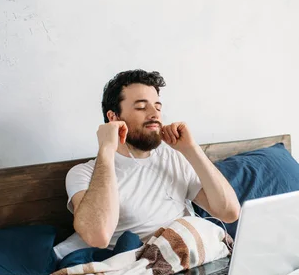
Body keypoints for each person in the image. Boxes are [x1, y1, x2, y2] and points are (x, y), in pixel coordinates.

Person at [53, 69, 240, 259]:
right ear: (113, 117)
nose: (154, 114)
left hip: (188, 258)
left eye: (158, 107)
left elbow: (229, 212)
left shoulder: (174, 157)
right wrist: (106, 150)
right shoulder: (83, 174)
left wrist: (191, 149)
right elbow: (97, 236)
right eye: (141, 107)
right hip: (141, 266)